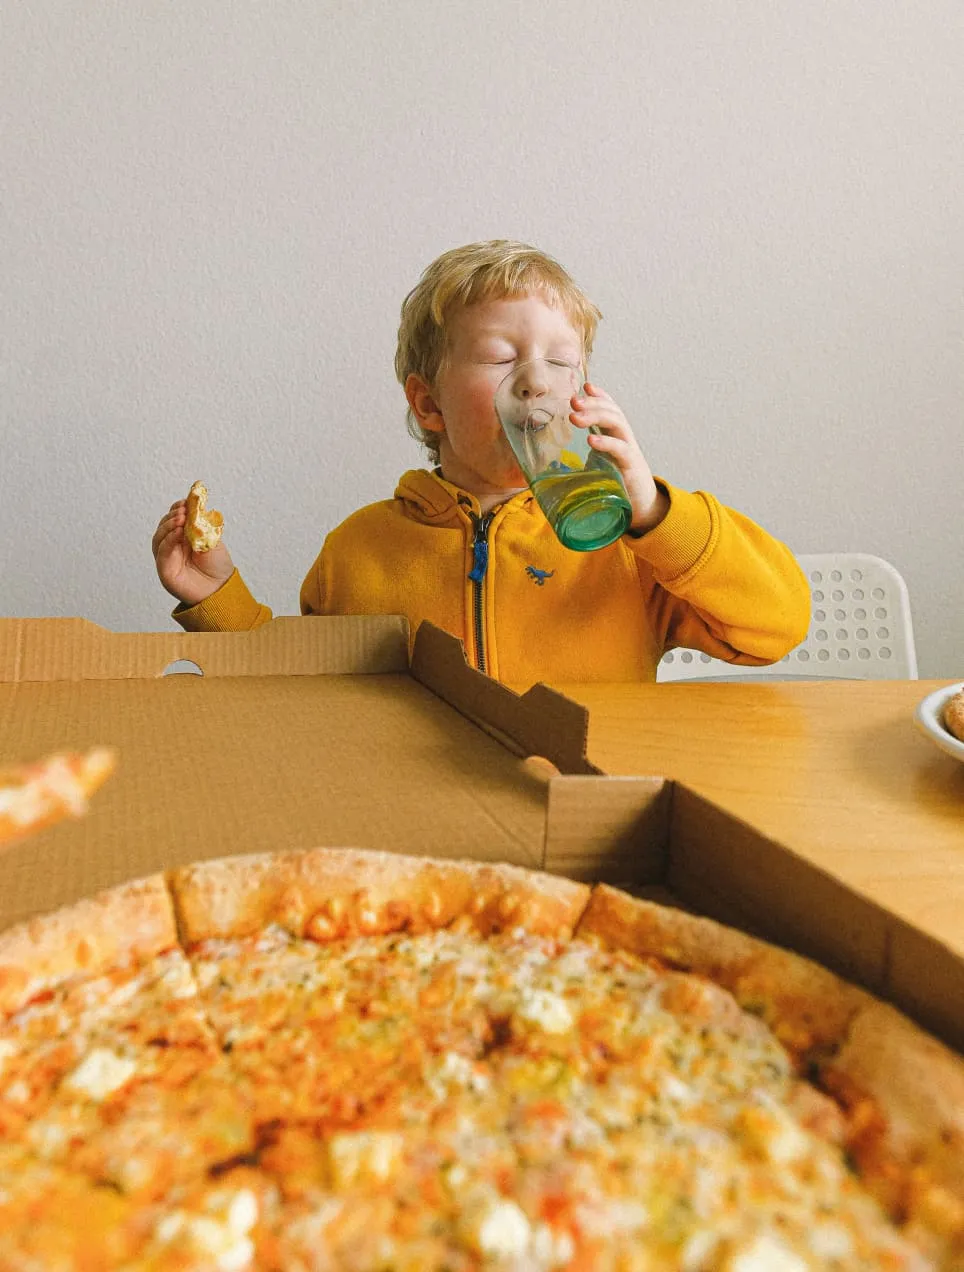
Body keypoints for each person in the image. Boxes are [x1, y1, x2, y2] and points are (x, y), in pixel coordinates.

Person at [152, 240, 809, 687]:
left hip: (585, 809)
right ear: (429, 403)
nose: (536, 383)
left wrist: (657, 513)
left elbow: (777, 625)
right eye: (501, 358)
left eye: (561, 362)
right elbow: (297, 692)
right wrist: (216, 594)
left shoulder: (627, 551)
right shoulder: (361, 549)